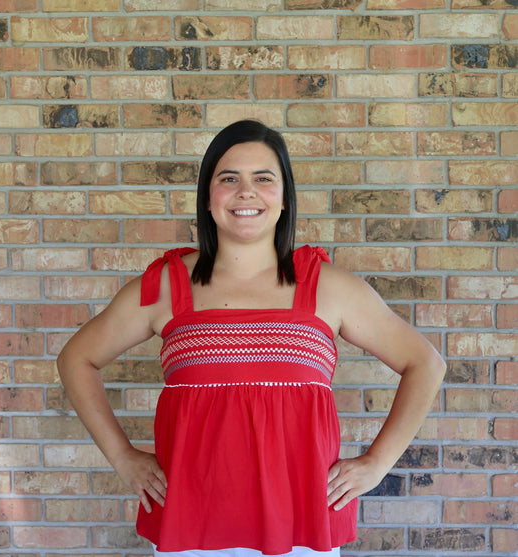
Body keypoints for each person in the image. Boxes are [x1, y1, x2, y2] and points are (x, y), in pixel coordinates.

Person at [57, 120, 446, 557]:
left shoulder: (328, 287)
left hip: (300, 526)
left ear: (284, 198)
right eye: (229, 179)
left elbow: (425, 364)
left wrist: (377, 464)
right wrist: (123, 456)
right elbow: (76, 359)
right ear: (208, 197)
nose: (246, 192)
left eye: (264, 178)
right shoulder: (166, 287)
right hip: (192, 526)